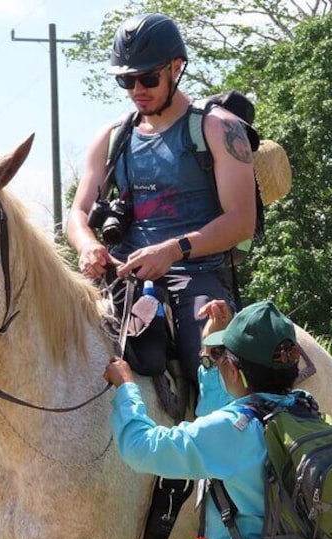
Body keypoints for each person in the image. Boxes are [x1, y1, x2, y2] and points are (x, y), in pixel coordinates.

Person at [68, 13, 257, 391]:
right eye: (126, 80)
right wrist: (88, 245)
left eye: (148, 78)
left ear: (176, 68)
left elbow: (241, 221)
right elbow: (77, 213)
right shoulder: (111, 136)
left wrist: (172, 250)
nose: (137, 88)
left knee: (208, 361)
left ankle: (235, 439)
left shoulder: (218, 128)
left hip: (195, 274)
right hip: (120, 275)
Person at [103, 300, 303, 539]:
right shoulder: (304, 406)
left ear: (233, 371)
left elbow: (141, 448)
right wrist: (210, 350)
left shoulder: (232, 432)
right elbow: (216, 412)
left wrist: (127, 387)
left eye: (223, 358)